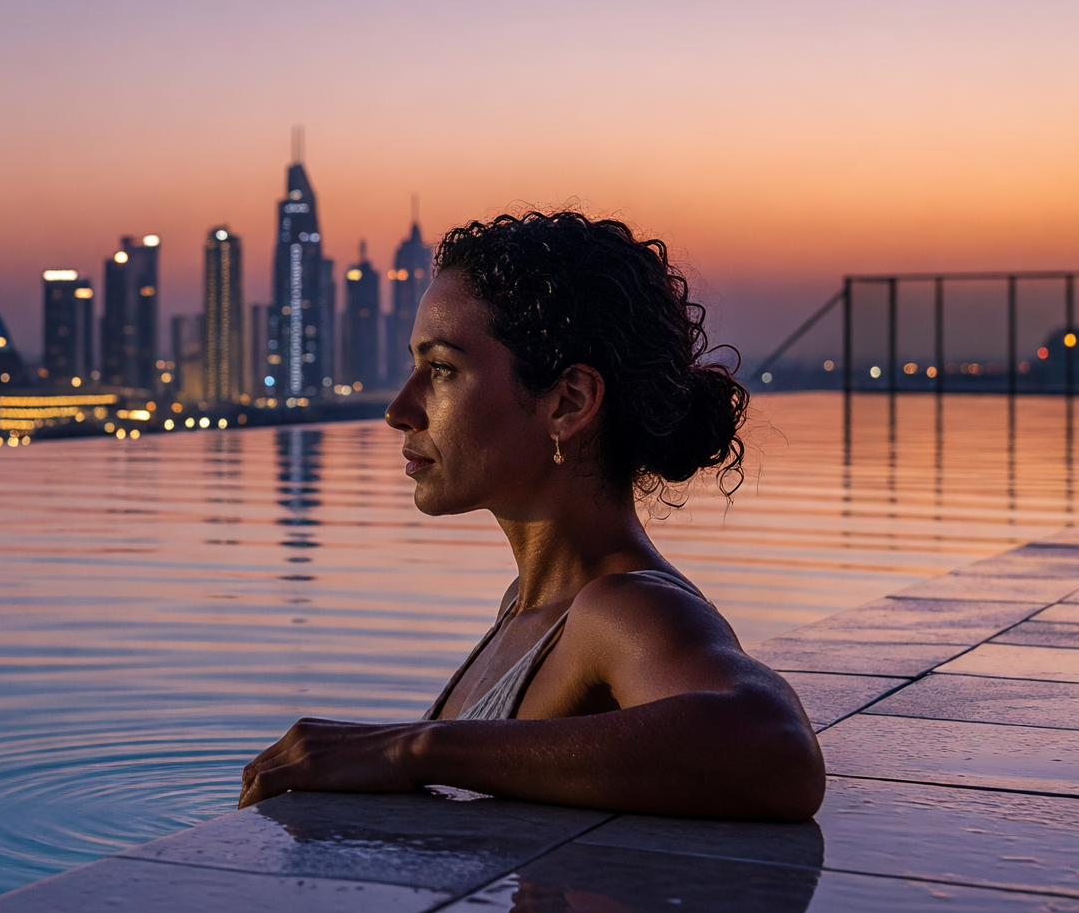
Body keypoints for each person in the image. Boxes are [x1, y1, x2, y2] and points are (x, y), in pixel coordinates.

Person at [239, 210, 823, 820]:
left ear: (568, 402)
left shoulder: (623, 606)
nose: (399, 408)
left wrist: (415, 746)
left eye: (441, 369)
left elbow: (777, 749)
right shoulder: (530, 603)